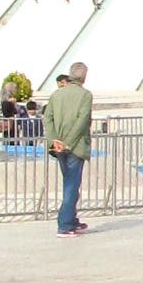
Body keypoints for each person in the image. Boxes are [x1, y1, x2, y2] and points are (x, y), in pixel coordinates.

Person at [43, 61, 93, 234]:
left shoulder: (57, 95)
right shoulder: (85, 95)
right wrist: (68, 142)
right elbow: (82, 120)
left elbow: (47, 118)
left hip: (58, 147)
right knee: (72, 185)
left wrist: (54, 140)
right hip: (75, 147)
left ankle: (71, 220)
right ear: (84, 77)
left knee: (69, 183)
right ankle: (64, 224)